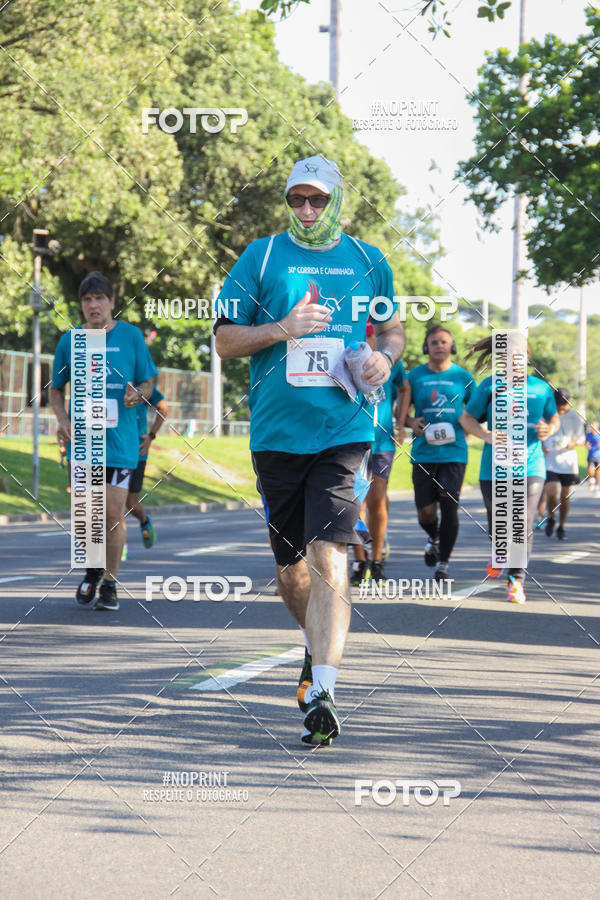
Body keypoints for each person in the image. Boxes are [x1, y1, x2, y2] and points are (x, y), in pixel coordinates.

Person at [214, 155, 405, 745]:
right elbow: (224, 340)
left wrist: (385, 356)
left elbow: (392, 328)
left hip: (345, 429)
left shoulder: (370, 262)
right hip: (276, 436)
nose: (305, 210)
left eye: (316, 200)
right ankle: (312, 642)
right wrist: (282, 329)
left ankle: (323, 690)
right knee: (292, 575)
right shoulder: (262, 256)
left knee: (330, 556)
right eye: (296, 199)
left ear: (337, 200)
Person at [50, 272, 157, 611]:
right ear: (81, 306)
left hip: (121, 443)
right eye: (87, 300)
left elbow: (149, 383)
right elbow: (55, 389)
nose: (93, 305)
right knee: (84, 517)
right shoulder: (70, 341)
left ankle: (109, 584)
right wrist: (63, 420)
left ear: (112, 302)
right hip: (83, 444)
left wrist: (138, 394)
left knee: (112, 515)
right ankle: (94, 566)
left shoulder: (131, 337)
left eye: (99, 299)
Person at [460, 336, 560, 604]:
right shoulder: (489, 386)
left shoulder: (541, 389)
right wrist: (487, 435)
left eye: (520, 354)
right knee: (497, 523)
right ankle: (499, 550)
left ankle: (516, 581)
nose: (514, 359)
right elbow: (467, 418)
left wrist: (548, 429)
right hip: (494, 468)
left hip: (531, 464)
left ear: (527, 358)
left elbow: (554, 419)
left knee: (522, 521)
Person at [398, 325, 474, 584]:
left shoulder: (464, 377)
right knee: (426, 513)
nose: (439, 346)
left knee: (449, 505)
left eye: (444, 342)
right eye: (434, 342)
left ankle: (444, 562)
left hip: (454, 453)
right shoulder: (414, 376)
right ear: (426, 347)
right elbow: (402, 413)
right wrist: (410, 423)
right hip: (423, 453)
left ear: (451, 346)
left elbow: (477, 410)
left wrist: (473, 428)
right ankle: (433, 537)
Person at [121, 383, 169, 560]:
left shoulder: (143, 387)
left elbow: (163, 407)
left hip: (137, 452)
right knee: (114, 503)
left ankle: (144, 520)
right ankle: (120, 545)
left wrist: (151, 436)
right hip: (114, 451)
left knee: (131, 504)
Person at [540, 388, 585, 540]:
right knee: (551, 493)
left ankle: (562, 526)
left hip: (568, 462)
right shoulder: (546, 414)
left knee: (565, 497)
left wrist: (574, 442)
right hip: (550, 461)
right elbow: (537, 433)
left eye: (564, 405)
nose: (561, 408)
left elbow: (581, 439)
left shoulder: (574, 416)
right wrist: (541, 445)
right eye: (558, 404)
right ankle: (551, 518)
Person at [586, 420, 600, 493]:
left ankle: (597, 486)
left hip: (599, 456)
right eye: (591, 425)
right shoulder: (588, 435)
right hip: (591, 455)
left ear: (597, 427)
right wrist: (586, 445)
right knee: (590, 470)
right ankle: (591, 479)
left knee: (598, 472)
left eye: (593, 425)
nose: (591, 427)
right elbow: (585, 442)